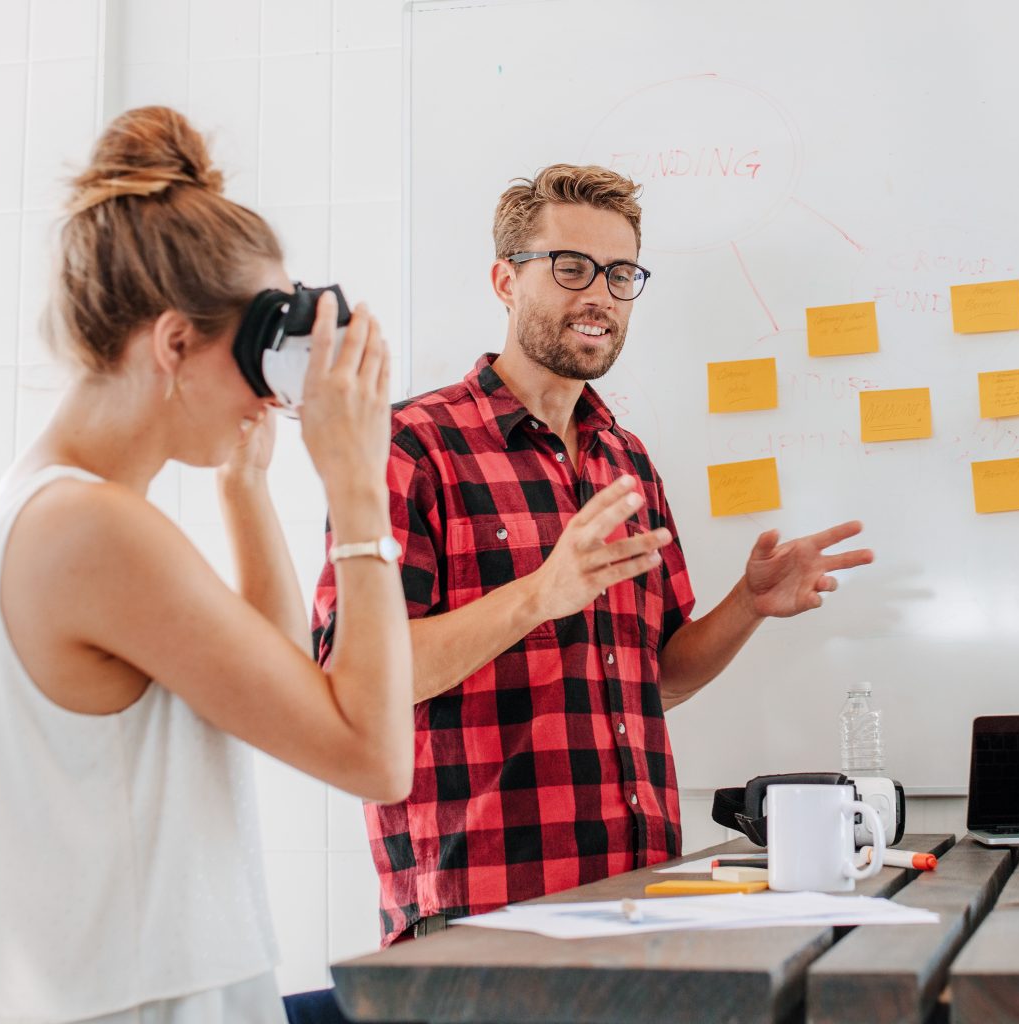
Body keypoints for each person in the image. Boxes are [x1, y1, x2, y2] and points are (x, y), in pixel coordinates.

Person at [0, 107, 411, 1023]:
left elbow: (277, 693)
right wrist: (358, 490)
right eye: (259, 350)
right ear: (174, 344)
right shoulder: (88, 530)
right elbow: (373, 756)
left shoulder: (17, 516)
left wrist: (246, 491)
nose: (272, 387)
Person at [311, 163, 875, 943]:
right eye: (570, 267)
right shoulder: (411, 447)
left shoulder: (626, 460)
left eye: (619, 274)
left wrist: (747, 607)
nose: (599, 295)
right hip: (481, 913)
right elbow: (359, 681)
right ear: (505, 280)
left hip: (637, 896)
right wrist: (540, 594)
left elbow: (659, 680)